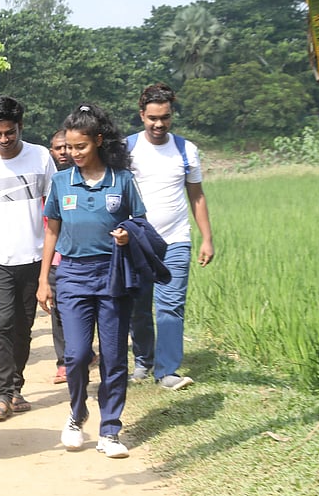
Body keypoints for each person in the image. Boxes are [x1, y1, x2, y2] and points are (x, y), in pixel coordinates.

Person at [38, 104, 146, 459]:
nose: (74, 154)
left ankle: (110, 429)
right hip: (71, 275)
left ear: (98, 141)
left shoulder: (123, 181)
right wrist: (44, 279)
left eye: (80, 147)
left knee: (114, 356)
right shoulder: (60, 182)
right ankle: (76, 412)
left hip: (114, 275)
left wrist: (127, 236)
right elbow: (51, 230)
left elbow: (140, 224)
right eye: (68, 148)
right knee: (78, 353)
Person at [0, 96, 55, 422]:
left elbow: (53, 210)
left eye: (10, 133)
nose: (3, 140)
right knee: (2, 325)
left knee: (23, 326)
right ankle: (3, 393)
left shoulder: (41, 157)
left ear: (21, 127)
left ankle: (16, 387)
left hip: (33, 257)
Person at [127, 82, 215, 390]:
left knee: (171, 305)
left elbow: (197, 196)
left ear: (171, 115)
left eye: (164, 117)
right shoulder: (128, 148)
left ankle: (167, 371)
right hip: (138, 240)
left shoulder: (185, 150)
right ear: (142, 115)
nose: (158, 124)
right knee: (138, 305)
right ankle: (142, 361)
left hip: (177, 239)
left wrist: (207, 238)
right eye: (152, 118)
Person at [47, 129, 73, 383]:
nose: (64, 152)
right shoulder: (51, 180)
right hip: (56, 257)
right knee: (58, 311)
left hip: (82, 257)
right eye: (58, 148)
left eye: (68, 147)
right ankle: (64, 361)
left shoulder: (85, 177)